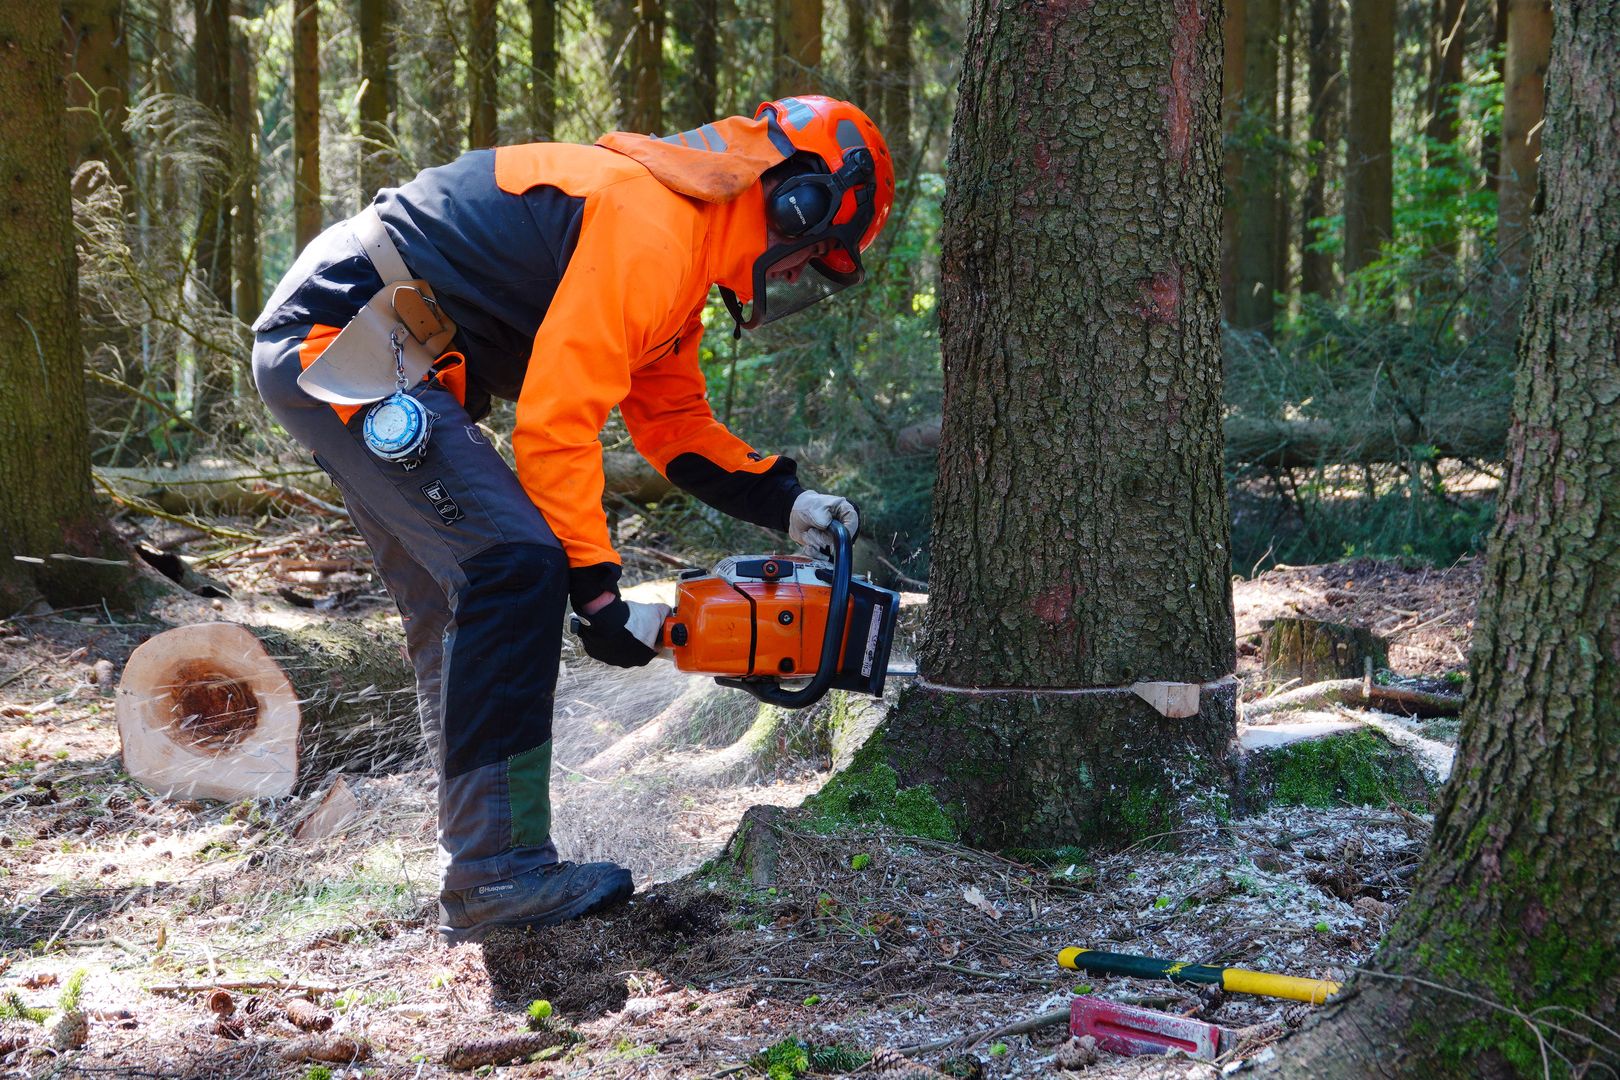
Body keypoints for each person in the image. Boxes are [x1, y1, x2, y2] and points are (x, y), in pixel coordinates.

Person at [250, 96, 895, 944]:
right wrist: (599, 596)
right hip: (344, 337)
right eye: (810, 254)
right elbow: (557, 420)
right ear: (794, 199)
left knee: (462, 601)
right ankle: (498, 873)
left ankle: (483, 862)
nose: (792, 275)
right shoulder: (651, 224)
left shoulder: (678, 262)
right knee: (512, 565)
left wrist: (788, 503)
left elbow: (675, 428)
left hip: (379, 348)